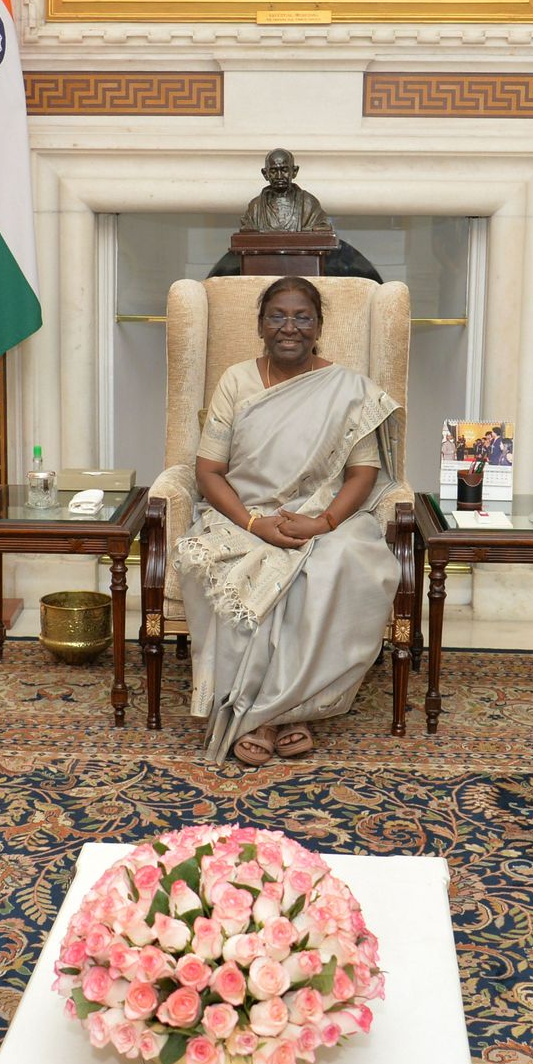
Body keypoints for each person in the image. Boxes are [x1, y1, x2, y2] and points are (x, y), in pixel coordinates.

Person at [175, 277, 402, 765]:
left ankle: (288, 710)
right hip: (242, 515)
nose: (289, 327)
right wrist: (254, 525)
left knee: (342, 564)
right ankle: (270, 715)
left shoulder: (349, 389)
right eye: (277, 316)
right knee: (230, 570)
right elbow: (208, 472)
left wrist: (323, 523)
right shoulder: (236, 381)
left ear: (318, 326)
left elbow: (363, 473)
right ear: (260, 325)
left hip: (325, 517)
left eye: (302, 317)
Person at [238, 148, 333, 233]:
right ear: (265, 174)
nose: (279, 176)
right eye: (273, 171)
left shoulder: (309, 204)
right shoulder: (255, 207)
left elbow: (322, 229)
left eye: (284, 170)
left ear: (294, 171)